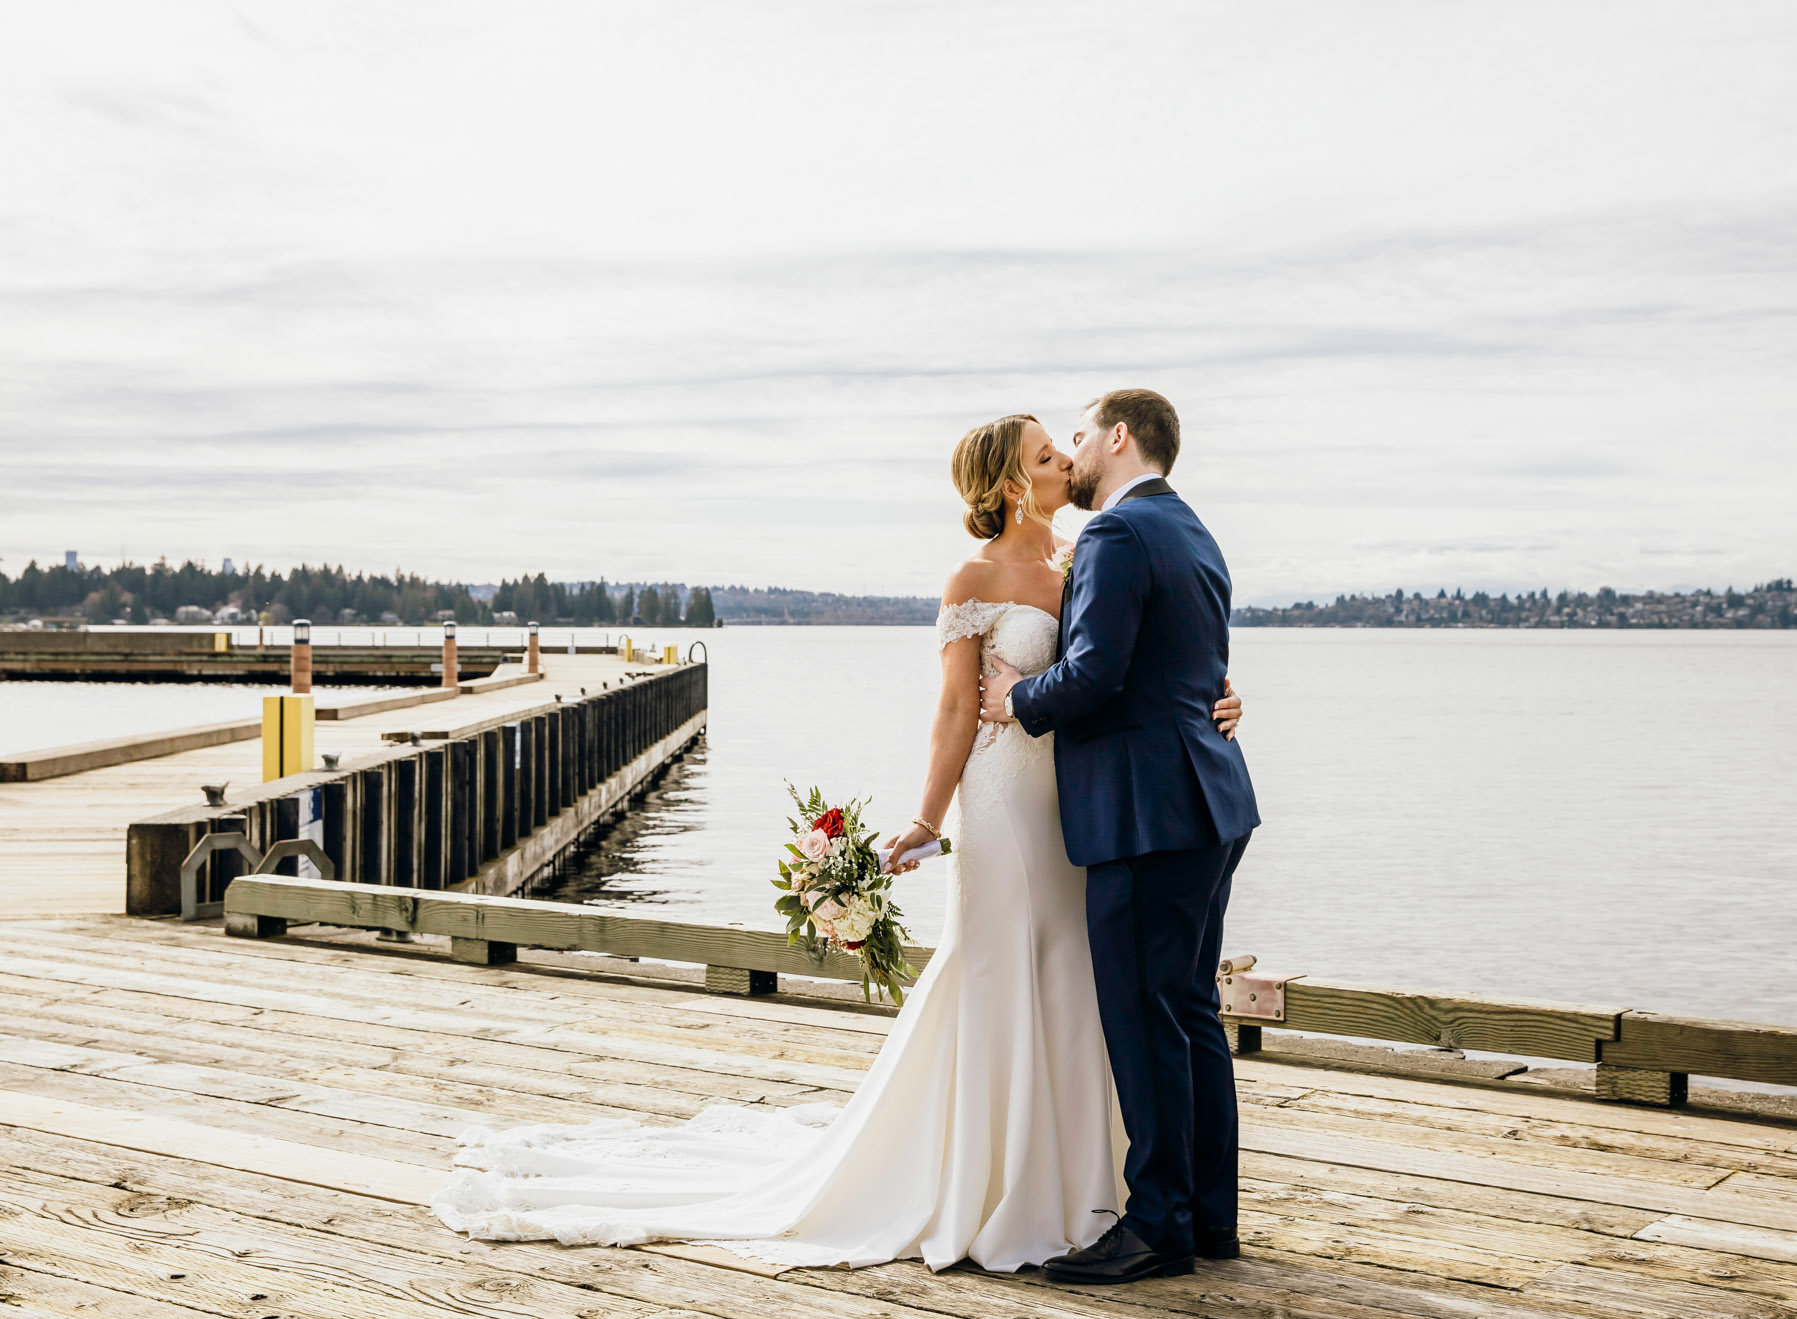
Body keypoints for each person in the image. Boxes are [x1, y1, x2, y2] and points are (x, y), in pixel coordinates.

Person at [430, 409, 1245, 1273]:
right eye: (1048, 454)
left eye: (1067, 445)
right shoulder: (980, 574)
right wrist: (928, 819)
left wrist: (1216, 695)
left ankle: (1106, 1188)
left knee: (1091, 984)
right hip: (1012, 797)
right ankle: (1002, 1172)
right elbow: (955, 708)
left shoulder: (1092, 553)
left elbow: (1137, 651)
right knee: (1015, 965)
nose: (1064, 460)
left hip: (1085, 803)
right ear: (1013, 482)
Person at [979, 389, 1259, 1284]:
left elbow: (1095, 670)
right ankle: (1210, 1218)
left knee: (1144, 1017)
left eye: (1082, 434)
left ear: (1120, 436)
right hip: (1211, 804)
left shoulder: (1113, 533)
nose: (1075, 448)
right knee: (1190, 1012)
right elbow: (1189, 662)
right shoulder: (1195, 530)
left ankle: (1156, 1225)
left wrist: (1015, 700)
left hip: (1147, 813)